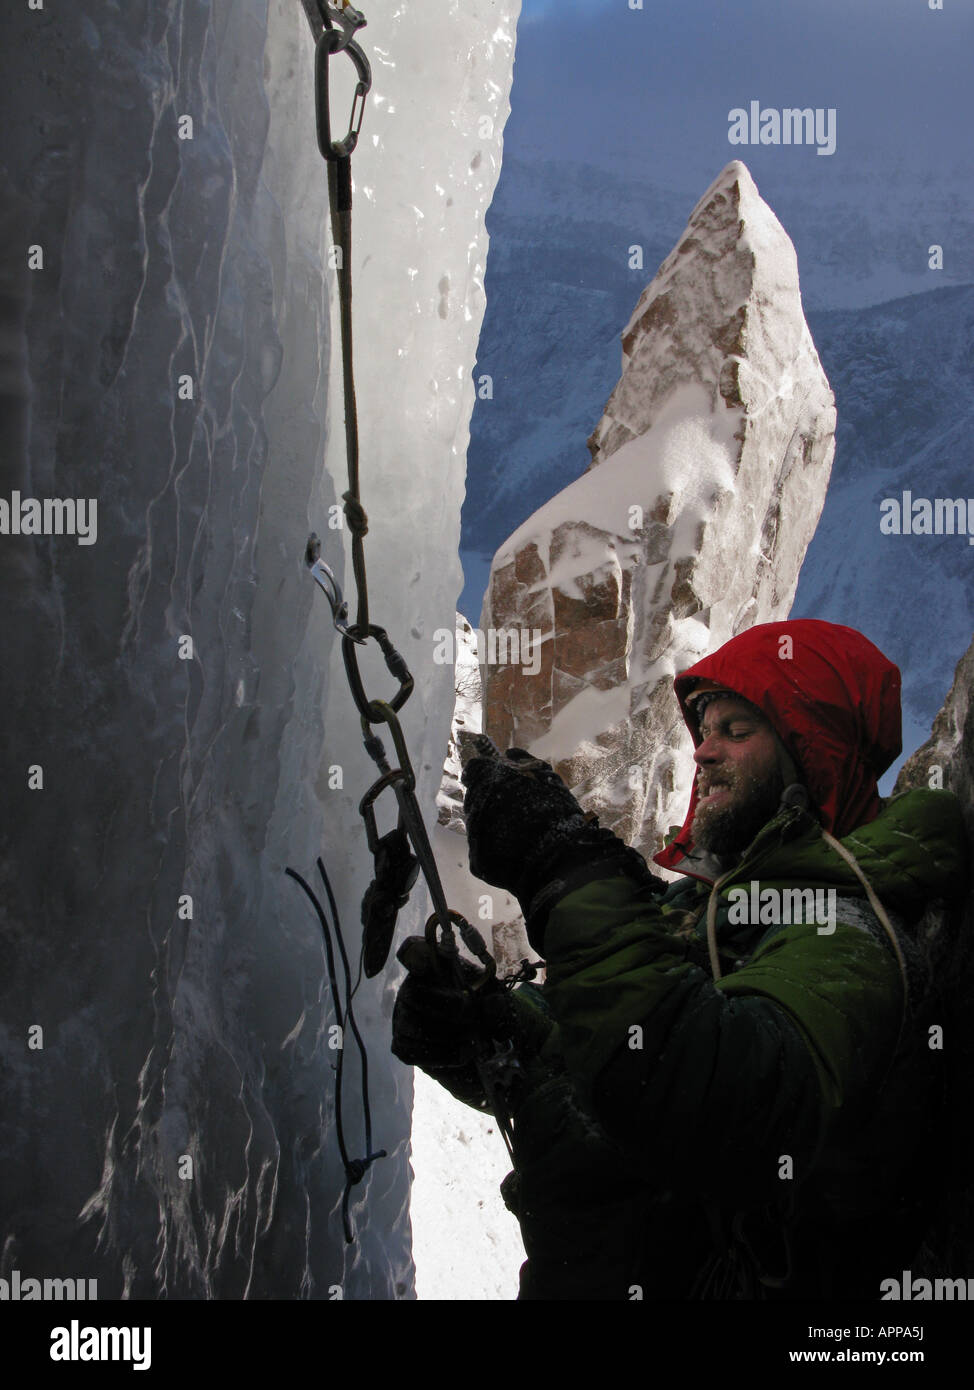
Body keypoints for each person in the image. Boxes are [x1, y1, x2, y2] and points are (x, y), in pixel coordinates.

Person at [392, 619, 967, 1299]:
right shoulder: (702, 911)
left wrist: (571, 870)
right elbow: (600, 1055)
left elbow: (715, 1098)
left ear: (812, 753)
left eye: (737, 730)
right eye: (705, 732)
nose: (705, 753)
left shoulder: (852, 936)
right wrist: (490, 1033)